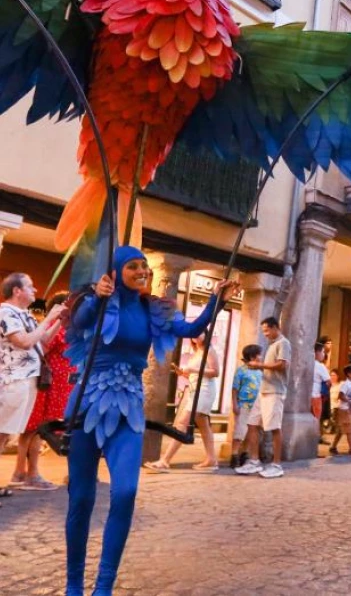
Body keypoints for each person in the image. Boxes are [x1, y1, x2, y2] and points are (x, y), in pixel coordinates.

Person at [64, 246, 237, 596]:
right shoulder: (93, 300)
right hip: (87, 403)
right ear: (115, 271)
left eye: (144, 266)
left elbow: (189, 329)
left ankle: (104, 587)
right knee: (81, 498)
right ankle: (73, 586)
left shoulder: (151, 309)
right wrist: (97, 297)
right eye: (132, 266)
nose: (142, 271)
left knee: (125, 492)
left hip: (128, 407)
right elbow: (80, 322)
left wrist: (215, 300)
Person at [0, 272, 65, 503]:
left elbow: (43, 342)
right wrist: (48, 319)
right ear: (17, 291)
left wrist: (58, 319)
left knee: (5, 434)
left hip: (25, 381)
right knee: (1, 433)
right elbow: (24, 342)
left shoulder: (23, 314)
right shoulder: (6, 312)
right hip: (11, 381)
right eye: (30, 286)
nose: (35, 290)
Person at [11, 291, 75, 492]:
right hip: (49, 386)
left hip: (57, 387)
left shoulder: (64, 328)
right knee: (36, 429)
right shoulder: (52, 328)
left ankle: (23, 473)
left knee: (35, 430)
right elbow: (43, 349)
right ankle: (29, 473)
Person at [145, 334, 221, 472]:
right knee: (203, 424)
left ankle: (165, 460)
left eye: (200, 333)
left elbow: (215, 372)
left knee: (182, 423)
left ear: (206, 334)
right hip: (195, 389)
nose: (196, 336)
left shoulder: (209, 350)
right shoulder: (196, 352)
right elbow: (195, 374)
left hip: (203, 390)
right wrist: (183, 373)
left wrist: (192, 370)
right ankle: (211, 459)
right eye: (194, 333)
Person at [235, 316, 291, 479]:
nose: (265, 334)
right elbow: (271, 368)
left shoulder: (283, 343)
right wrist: (257, 367)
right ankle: (254, 461)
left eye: (266, 330)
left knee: (274, 428)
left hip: (275, 391)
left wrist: (259, 365)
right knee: (252, 424)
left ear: (275, 327)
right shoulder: (272, 345)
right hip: (263, 390)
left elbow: (282, 365)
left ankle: (276, 464)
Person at [228, 344, 262, 468]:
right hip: (244, 404)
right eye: (259, 354)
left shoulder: (260, 370)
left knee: (250, 431)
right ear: (252, 356)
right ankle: (234, 455)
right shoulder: (241, 370)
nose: (261, 357)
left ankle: (244, 453)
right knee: (240, 430)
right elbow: (235, 388)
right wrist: (235, 404)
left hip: (256, 405)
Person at [330, 364, 351, 456]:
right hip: (344, 410)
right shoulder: (346, 384)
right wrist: (349, 402)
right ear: (349, 374)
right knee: (349, 430)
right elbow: (341, 395)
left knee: (341, 430)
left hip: (348, 410)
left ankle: (333, 447)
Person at [311, 342, 331, 445]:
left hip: (305, 396)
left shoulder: (307, 363)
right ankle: (314, 442)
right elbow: (328, 381)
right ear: (317, 352)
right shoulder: (320, 366)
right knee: (316, 419)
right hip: (316, 396)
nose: (323, 354)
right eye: (322, 352)